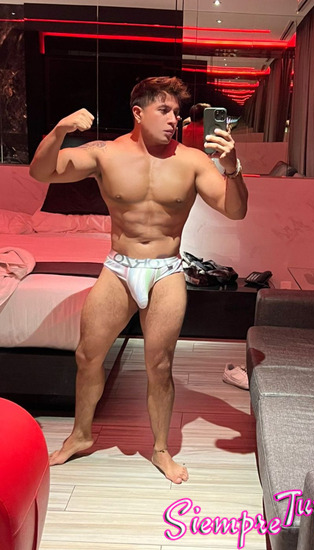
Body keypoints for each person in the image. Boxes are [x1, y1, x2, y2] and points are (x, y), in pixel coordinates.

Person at [29, 76, 248, 484]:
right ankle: (80, 435)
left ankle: (161, 449)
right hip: (119, 267)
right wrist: (59, 130)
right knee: (87, 355)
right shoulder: (105, 154)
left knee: (159, 366)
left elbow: (235, 211)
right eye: (164, 110)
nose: (174, 120)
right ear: (138, 112)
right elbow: (42, 172)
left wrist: (232, 168)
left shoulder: (192, 161)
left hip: (166, 271)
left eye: (177, 113)